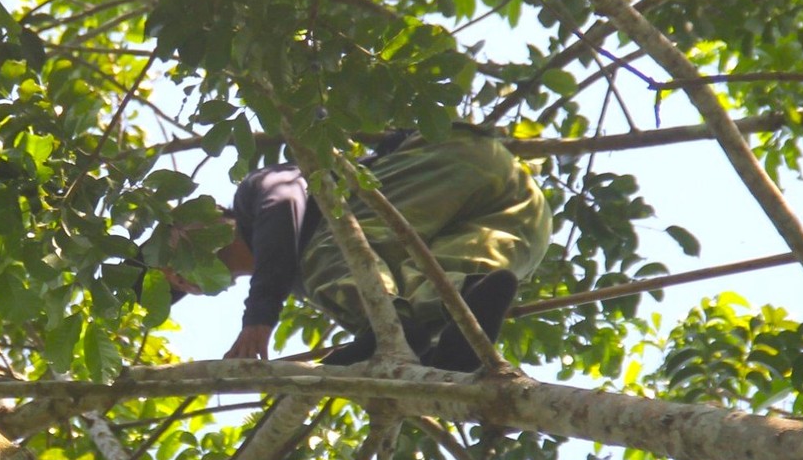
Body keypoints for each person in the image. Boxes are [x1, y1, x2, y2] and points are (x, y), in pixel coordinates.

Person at [171, 127, 552, 370]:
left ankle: (399, 330)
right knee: (435, 285)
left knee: (337, 254)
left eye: (171, 252)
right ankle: (458, 322)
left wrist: (260, 315)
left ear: (204, 216)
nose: (175, 275)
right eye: (174, 284)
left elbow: (284, 207)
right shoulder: (295, 276)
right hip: (526, 217)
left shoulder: (255, 196)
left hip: (447, 156)